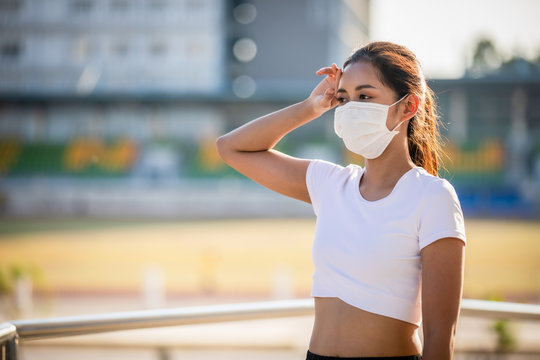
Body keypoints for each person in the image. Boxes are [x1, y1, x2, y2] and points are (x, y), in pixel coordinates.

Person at [216, 41, 467, 360]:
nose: (350, 109)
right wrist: (311, 107)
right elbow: (230, 148)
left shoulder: (433, 196)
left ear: (408, 106)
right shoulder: (331, 183)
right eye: (344, 98)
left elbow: (439, 336)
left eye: (365, 96)